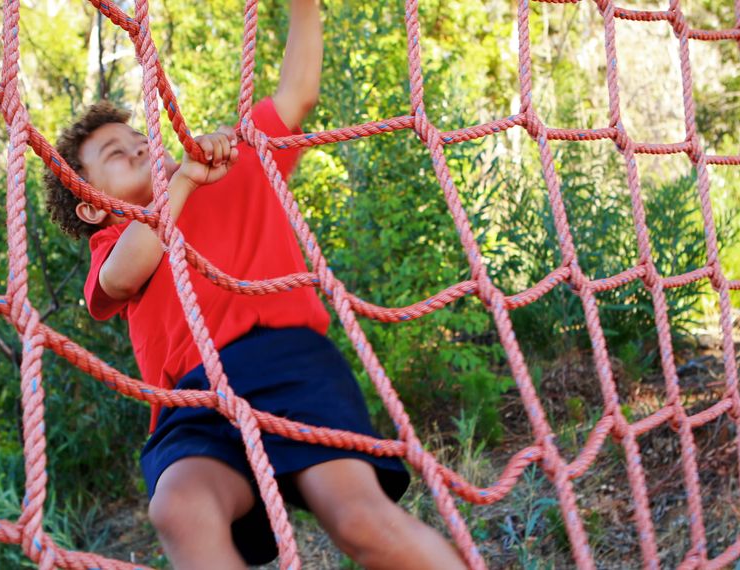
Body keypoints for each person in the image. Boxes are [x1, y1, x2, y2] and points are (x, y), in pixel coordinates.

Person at [42, 2, 466, 568]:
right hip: (197, 395)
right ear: (94, 208)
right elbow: (122, 275)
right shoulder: (115, 242)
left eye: (139, 137)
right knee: (178, 507)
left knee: (358, 519)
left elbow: (296, 95)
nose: (140, 146)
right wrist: (186, 181)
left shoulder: (232, 165)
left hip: (289, 361)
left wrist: (304, 8)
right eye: (116, 156)